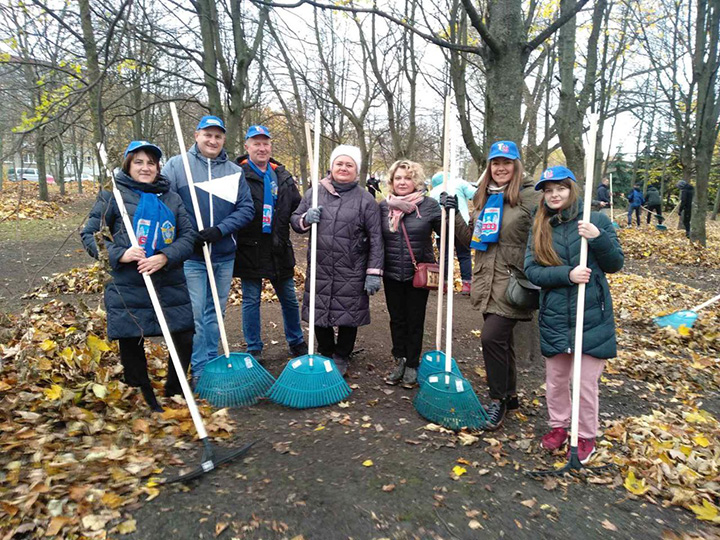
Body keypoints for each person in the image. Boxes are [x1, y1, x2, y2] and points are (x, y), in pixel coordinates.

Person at [81, 141, 196, 412]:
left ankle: (175, 387)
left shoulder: (170, 196)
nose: (145, 168)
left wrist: (165, 256)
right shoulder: (113, 195)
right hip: (128, 282)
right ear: (128, 165)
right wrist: (120, 254)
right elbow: (90, 235)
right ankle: (143, 392)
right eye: (139, 162)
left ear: (158, 166)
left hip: (168, 280)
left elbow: (188, 236)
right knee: (131, 337)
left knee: (184, 335)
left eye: (151, 162)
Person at [524, 166, 624, 463]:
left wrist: (597, 238)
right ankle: (559, 426)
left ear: (572, 189)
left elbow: (615, 263)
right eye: (549, 190)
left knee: (584, 382)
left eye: (561, 188)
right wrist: (568, 274)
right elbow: (532, 271)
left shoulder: (596, 220)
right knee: (556, 380)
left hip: (592, 316)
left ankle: (585, 435)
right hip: (555, 316)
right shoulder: (540, 226)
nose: (555, 195)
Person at [443, 140, 538, 430]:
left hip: (512, 282)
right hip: (487, 280)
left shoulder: (531, 197)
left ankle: (496, 400)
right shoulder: (483, 197)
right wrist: (452, 214)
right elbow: (471, 238)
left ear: (516, 166)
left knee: (491, 338)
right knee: (502, 341)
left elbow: (550, 226)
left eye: (506, 163)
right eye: (495, 163)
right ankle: (509, 396)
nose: (500, 168)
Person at [162, 116, 254, 384]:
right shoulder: (177, 166)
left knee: (215, 312)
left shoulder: (234, 172)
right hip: (191, 257)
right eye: (208, 135)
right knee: (196, 316)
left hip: (223, 255)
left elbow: (246, 209)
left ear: (223, 139)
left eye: (218, 136)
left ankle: (210, 362)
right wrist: (186, 234)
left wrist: (220, 230)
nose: (212, 141)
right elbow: (164, 201)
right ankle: (198, 367)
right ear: (196, 135)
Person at [290, 145, 384, 376]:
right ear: (331, 166)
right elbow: (294, 220)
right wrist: (305, 218)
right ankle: (325, 352)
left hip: (351, 267)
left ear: (356, 170)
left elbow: (376, 238)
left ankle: (342, 354)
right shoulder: (314, 193)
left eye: (349, 164)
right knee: (318, 311)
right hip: (321, 265)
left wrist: (374, 272)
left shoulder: (366, 200)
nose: (343, 168)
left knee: (348, 315)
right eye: (339, 163)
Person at [234, 125, 307, 359]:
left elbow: (298, 205)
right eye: (256, 143)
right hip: (250, 248)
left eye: (265, 143)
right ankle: (254, 347)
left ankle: (296, 341)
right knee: (251, 301)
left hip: (279, 246)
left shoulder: (282, 176)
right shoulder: (237, 174)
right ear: (247, 146)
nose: (262, 148)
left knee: (289, 298)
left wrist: (310, 210)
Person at [379, 160, 442, 388]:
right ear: (392, 182)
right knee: (397, 319)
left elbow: (449, 238)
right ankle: (400, 360)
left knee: (415, 320)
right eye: (398, 178)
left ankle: (413, 364)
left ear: (416, 181)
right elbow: (376, 241)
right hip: (392, 273)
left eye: (407, 178)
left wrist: (450, 213)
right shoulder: (383, 207)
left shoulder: (430, 206)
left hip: (419, 274)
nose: (402, 182)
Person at [429, 171, 477, 294]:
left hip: (442, 226)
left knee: (444, 256)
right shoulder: (459, 183)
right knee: (464, 255)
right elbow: (474, 195)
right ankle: (467, 284)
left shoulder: (433, 192)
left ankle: (443, 284)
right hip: (461, 224)